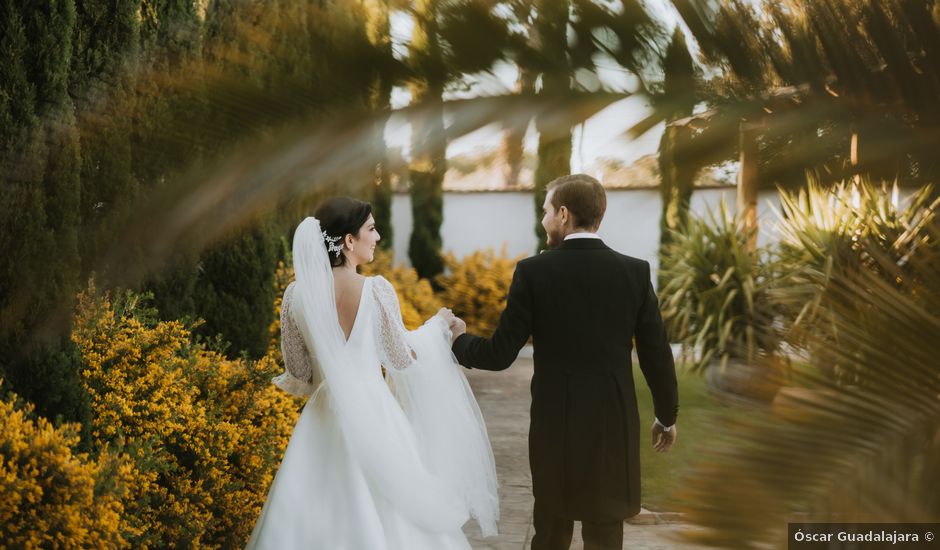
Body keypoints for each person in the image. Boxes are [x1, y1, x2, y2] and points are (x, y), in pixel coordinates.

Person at [247, 197, 497, 550]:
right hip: (375, 413)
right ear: (349, 240)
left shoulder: (295, 295)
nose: (377, 236)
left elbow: (299, 372)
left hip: (320, 421)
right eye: (371, 228)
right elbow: (401, 358)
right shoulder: (375, 289)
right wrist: (436, 327)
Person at [448, 174, 679, 550]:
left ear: (563, 214)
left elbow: (499, 354)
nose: (543, 220)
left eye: (545, 212)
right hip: (612, 424)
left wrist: (458, 339)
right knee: (605, 532)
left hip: (556, 425)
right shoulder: (634, 272)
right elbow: (656, 353)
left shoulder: (533, 271)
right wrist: (666, 417)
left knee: (552, 530)